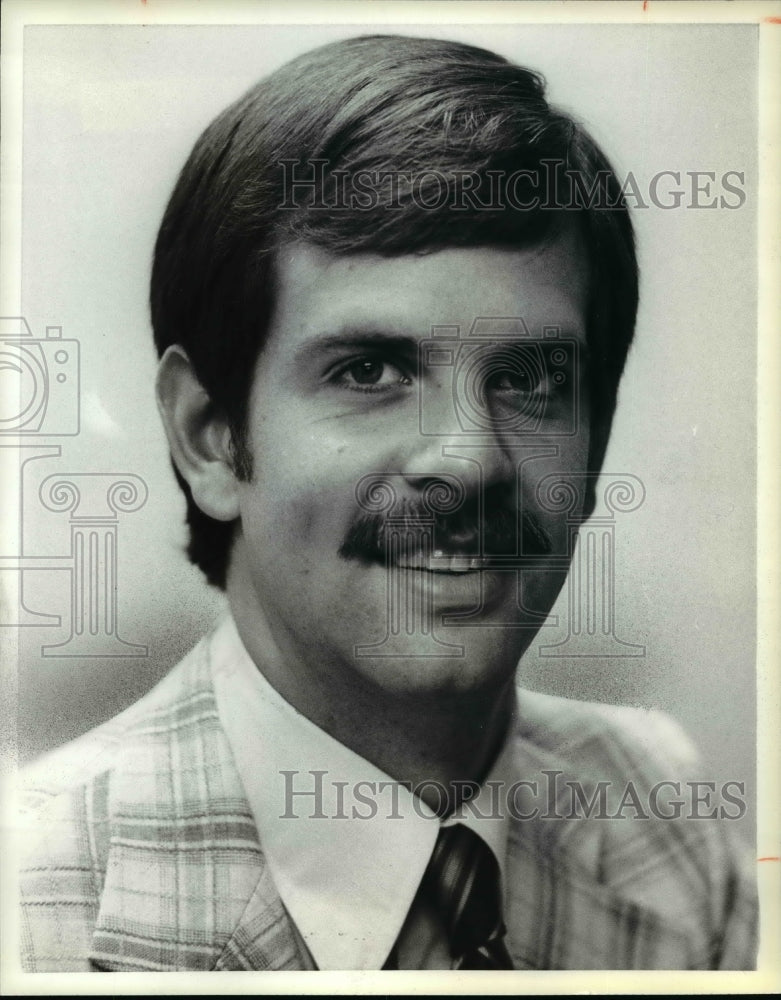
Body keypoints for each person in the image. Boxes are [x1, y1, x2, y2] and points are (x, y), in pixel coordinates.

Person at [18, 34, 757, 972]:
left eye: (530, 379)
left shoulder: (667, 824)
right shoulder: (32, 911)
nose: (469, 460)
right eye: (369, 370)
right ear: (209, 435)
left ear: (596, 436)